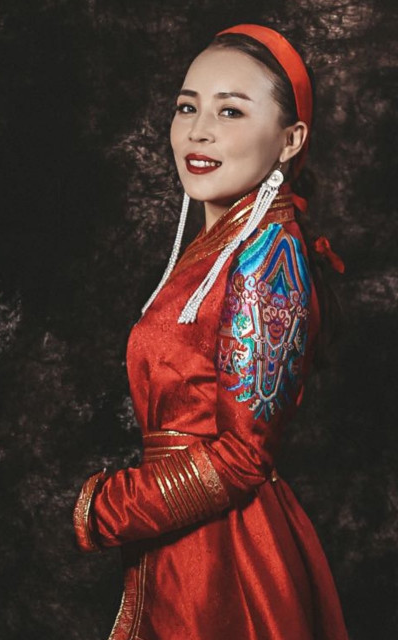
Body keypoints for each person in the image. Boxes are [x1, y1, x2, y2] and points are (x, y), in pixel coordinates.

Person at [73, 24, 349, 640]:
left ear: (290, 140)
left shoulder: (268, 254)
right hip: (183, 542)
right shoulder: (223, 244)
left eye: (230, 111)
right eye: (186, 107)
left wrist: (108, 507)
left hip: (226, 562)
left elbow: (244, 455)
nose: (199, 131)